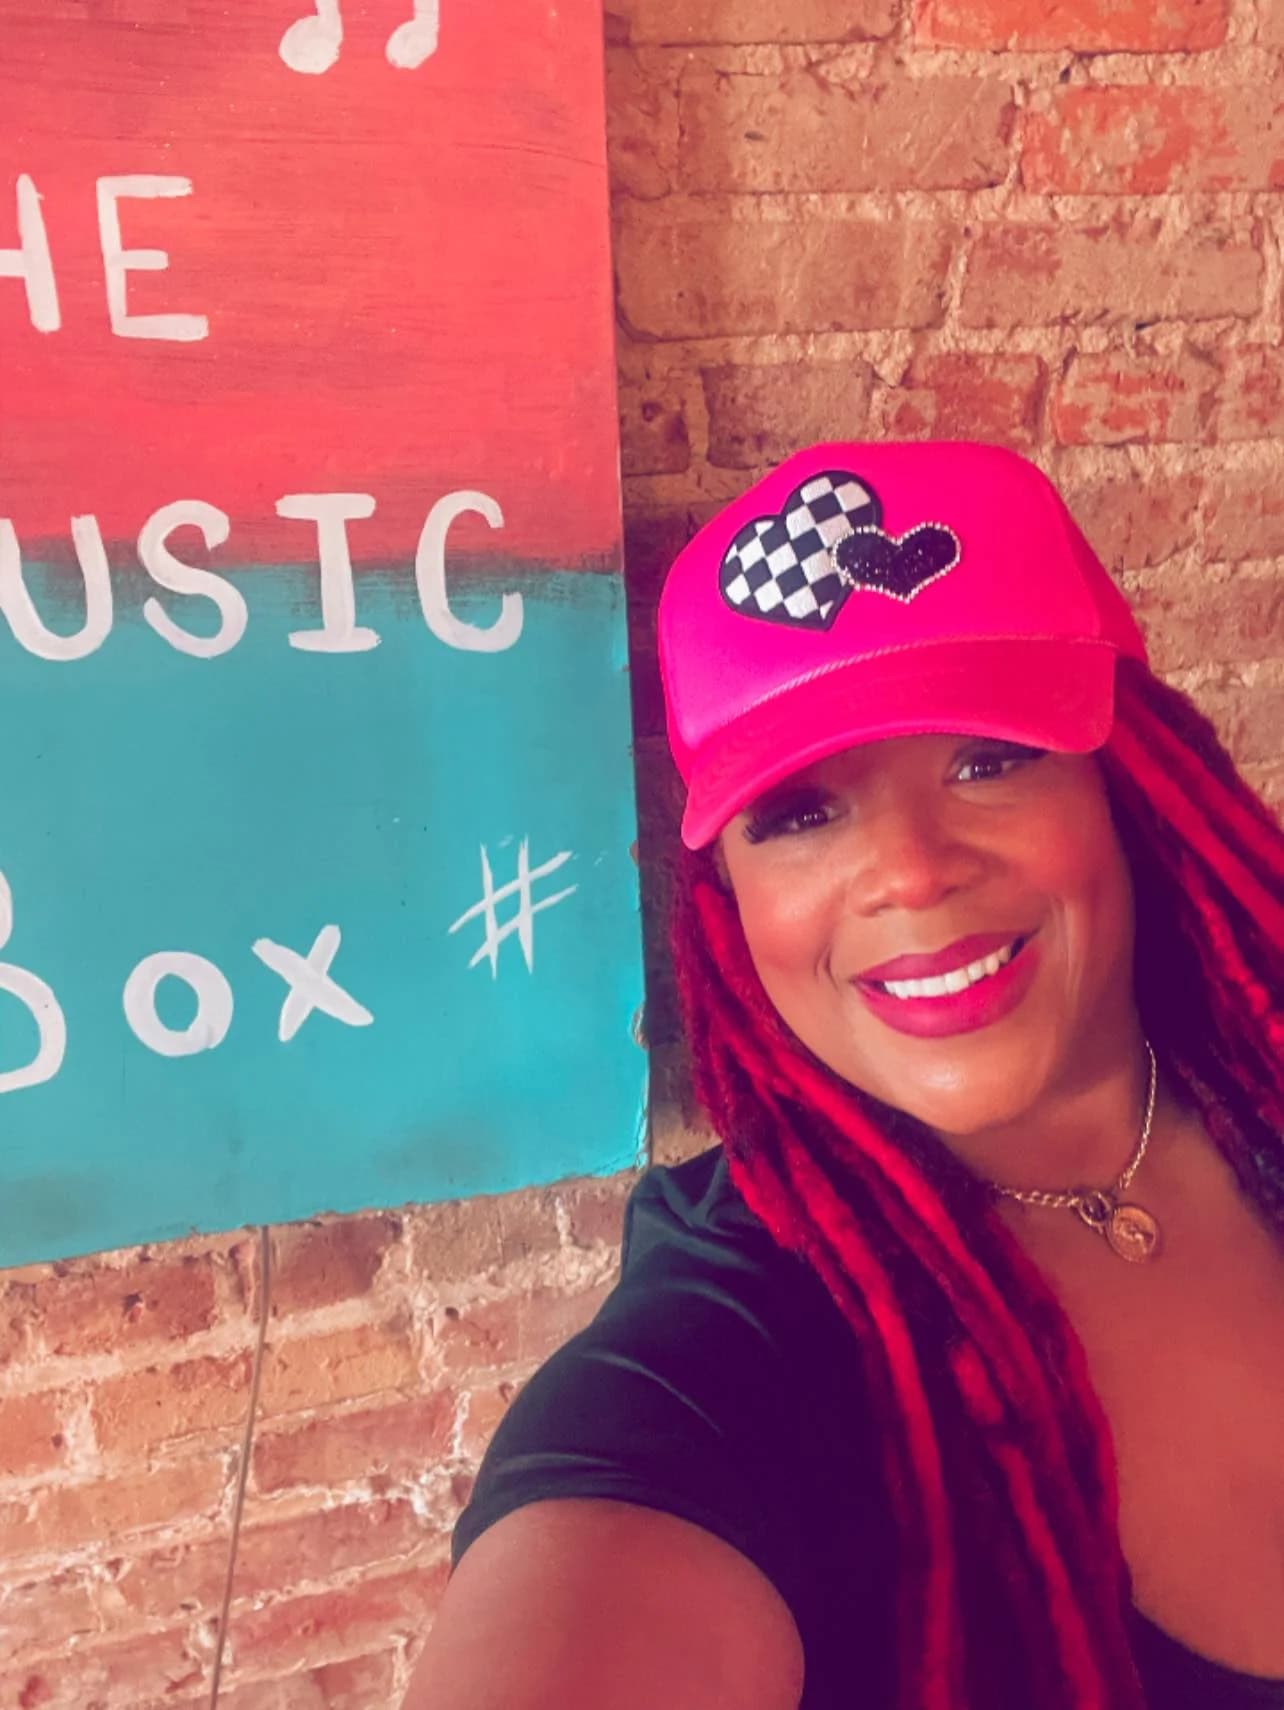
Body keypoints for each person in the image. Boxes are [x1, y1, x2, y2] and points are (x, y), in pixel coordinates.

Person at [406, 441, 1284, 1709]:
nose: (913, 872)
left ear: (1133, 783)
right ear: (730, 907)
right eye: (803, 813)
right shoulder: (726, 1357)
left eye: (988, 759)